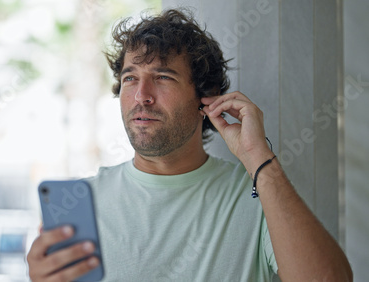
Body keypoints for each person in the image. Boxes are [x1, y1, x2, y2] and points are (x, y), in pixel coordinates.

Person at [27, 8, 352, 282]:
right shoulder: (81, 203)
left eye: (163, 77)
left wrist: (258, 160)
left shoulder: (258, 194)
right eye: (130, 78)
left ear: (205, 97)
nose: (142, 96)